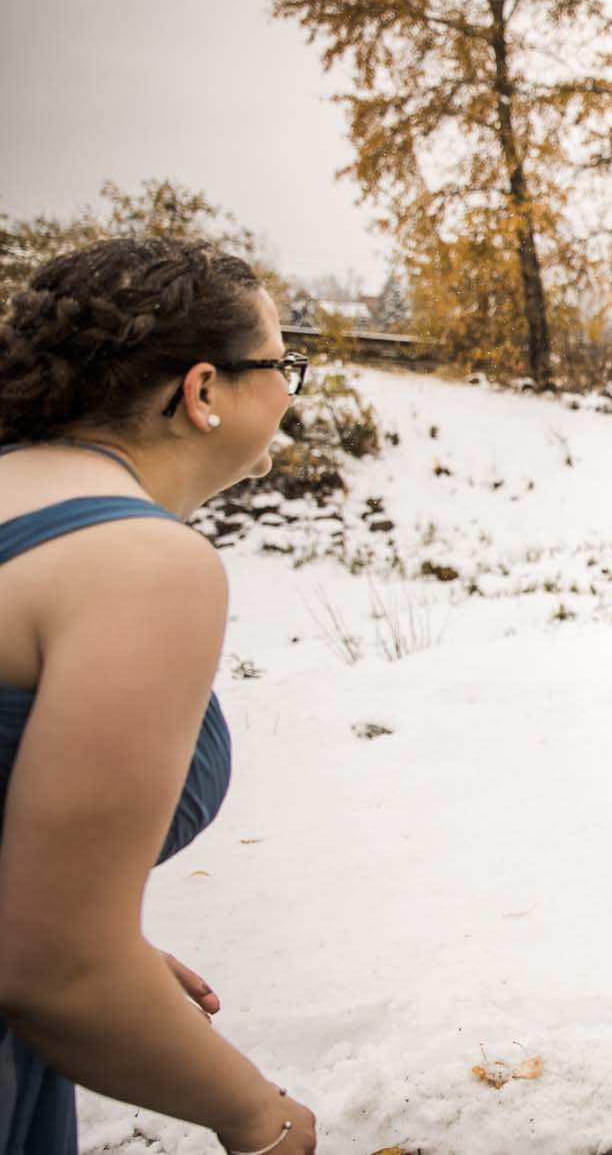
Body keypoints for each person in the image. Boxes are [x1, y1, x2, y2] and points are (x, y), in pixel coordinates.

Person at [0, 239, 317, 1155]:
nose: (291, 392)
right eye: (282, 364)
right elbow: (58, 972)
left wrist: (110, 951)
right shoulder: (138, 562)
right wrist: (257, 1115)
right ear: (203, 389)